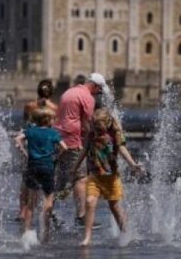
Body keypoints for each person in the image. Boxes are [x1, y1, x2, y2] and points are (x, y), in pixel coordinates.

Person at [74, 108, 143, 246]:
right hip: (94, 176)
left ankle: (126, 233)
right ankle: (87, 238)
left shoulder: (115, 134)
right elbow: (84, 151)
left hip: (111, 178)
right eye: (94, 125)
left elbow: (122, 150)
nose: (95, 129)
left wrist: (133, 165)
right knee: (89, 202)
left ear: (106, 124)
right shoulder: (91, 134)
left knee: (115, 207)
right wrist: (74, 168)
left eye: (98, 126)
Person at [55, 72, 106, 228]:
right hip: (73, 141)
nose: (99, 94)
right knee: (80, 178)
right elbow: (87, 123)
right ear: (95, 86)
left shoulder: (69, 92)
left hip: (59, 138)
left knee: (61, 179)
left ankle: (50, 213)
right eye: (99, 90)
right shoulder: (87, 98)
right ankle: (81, 217)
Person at [14, 107, 67, 240]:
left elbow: (17, 139)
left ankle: (26, 231)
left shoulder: (30, 131)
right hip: (48, 167)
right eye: (53, 118)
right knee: (49, 198)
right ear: (47, 120)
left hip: (32, 166)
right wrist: (57, 157)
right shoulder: (53, 133)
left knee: (31, 200)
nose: (54, 120)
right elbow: (65, 147)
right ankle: (46, 232)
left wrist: (24, 152)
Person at [17, 80, 58, 222]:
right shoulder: (54, 107)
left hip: (30, 142)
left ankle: (23, 212)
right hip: (46, 144)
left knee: (26, 178)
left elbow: (25, 124)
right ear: (51, 92)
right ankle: (47, 211)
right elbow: (53, 127)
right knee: (49, 180)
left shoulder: (29, 106)